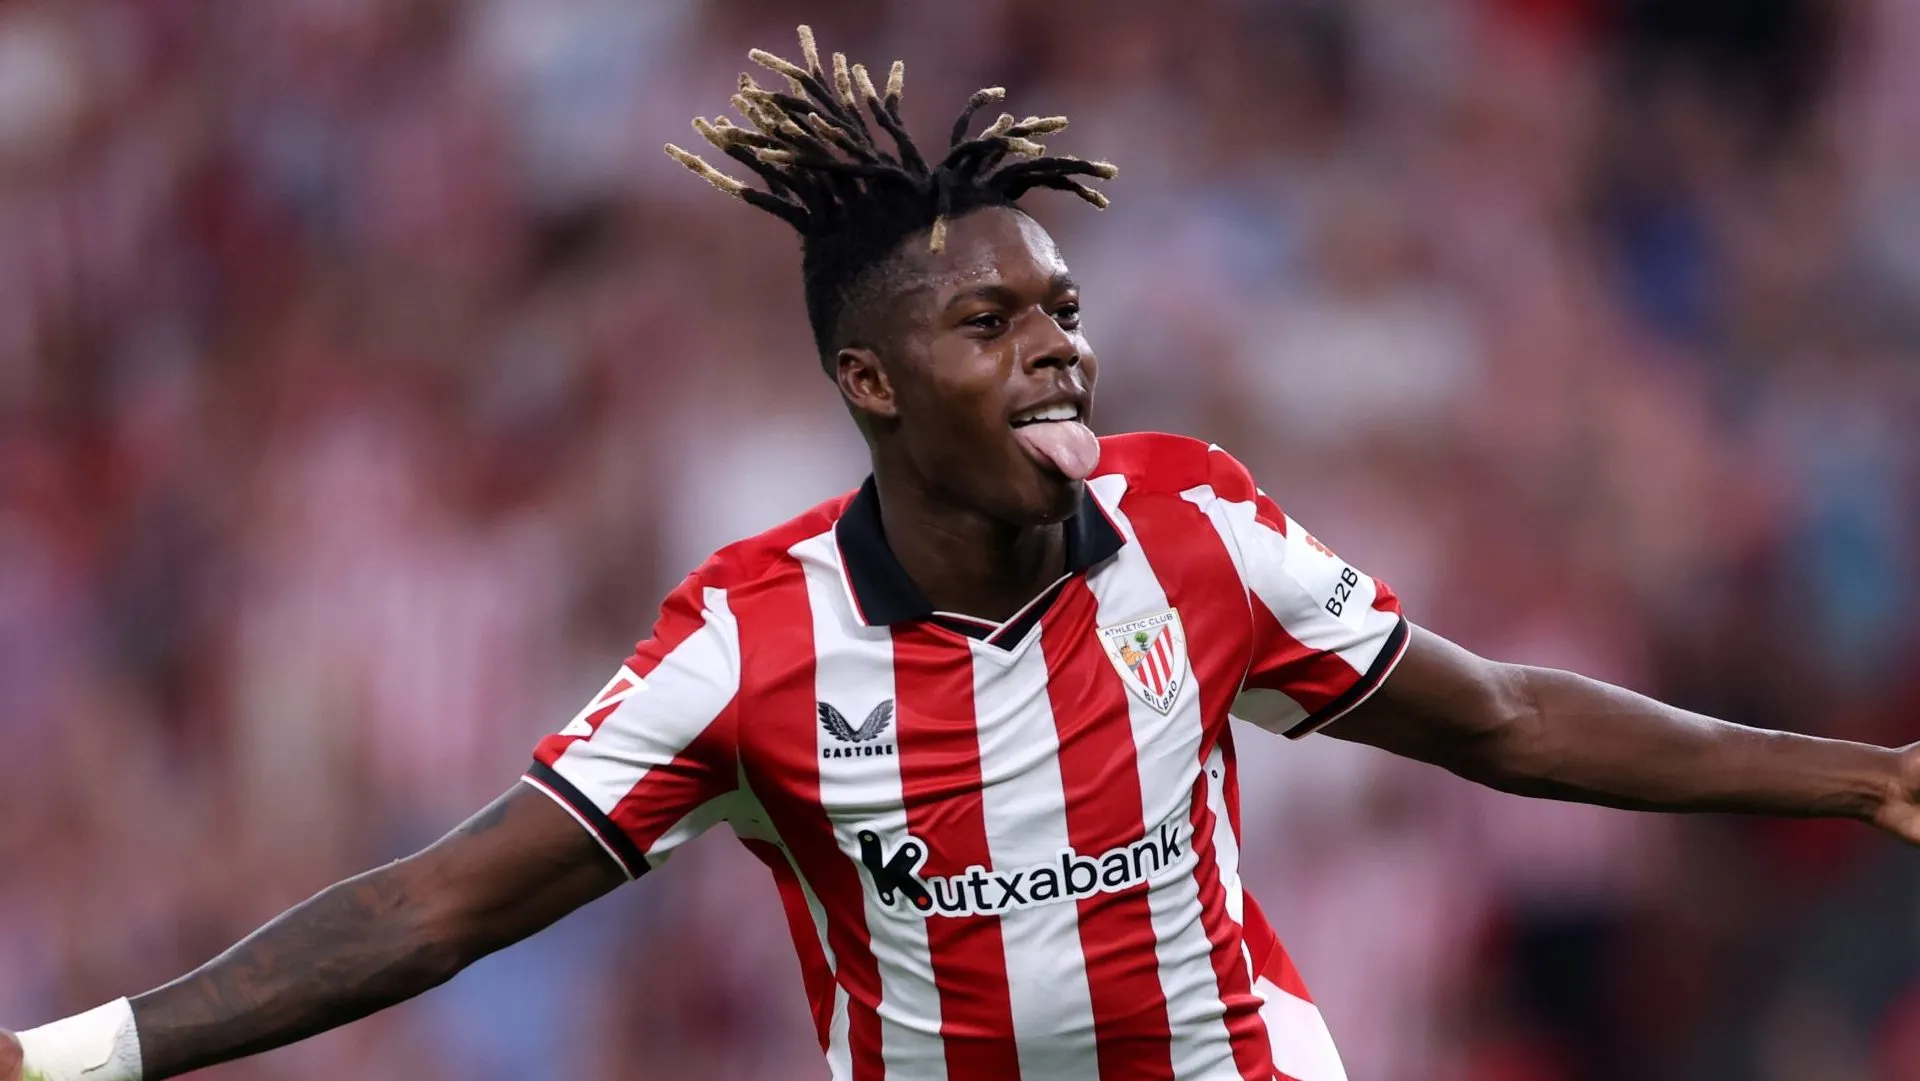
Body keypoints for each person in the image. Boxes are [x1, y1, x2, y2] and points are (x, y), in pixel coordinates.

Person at [7, 26, 1916, 1081]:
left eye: (1062, 307)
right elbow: (432, 910)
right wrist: (79, 1058)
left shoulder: (1195, 525)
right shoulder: (748, 646)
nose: (1056, 346)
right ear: (869, 382)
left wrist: (1869, 778)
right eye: (987, 326)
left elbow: (1495, 719)